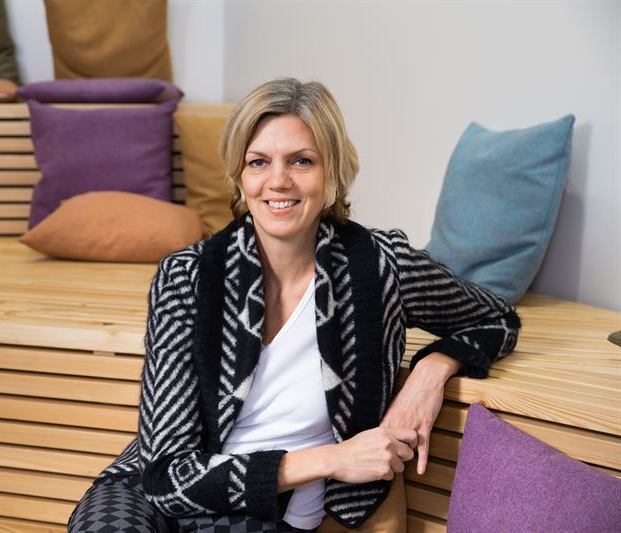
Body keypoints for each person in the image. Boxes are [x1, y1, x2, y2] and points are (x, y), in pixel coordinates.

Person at [68, 78, 521, 532]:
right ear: (240, 177)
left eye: (301, 161)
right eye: (258, 162)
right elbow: (166, 477)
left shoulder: (381, 266)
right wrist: (332, 459)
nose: (278, 181)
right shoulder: (188, 276)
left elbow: (496, 318)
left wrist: (430, 373)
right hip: (157, 492)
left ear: (332, 173)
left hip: (262, 511)